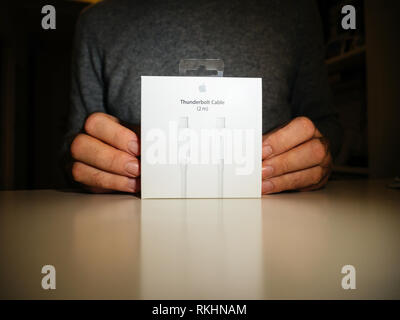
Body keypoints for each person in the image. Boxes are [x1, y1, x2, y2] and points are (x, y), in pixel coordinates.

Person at [64, 0, 342, 195]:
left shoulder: (296, 11)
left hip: (275, 225)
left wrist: (319, 155)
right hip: (135, 229)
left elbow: (325, 126)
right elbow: (75, 146)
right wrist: (87, 163)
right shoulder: (97, 22)